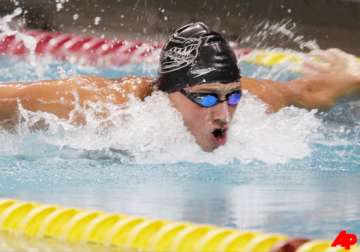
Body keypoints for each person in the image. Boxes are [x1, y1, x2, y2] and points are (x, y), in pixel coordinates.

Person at [0, 22, 359, 151]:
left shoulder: (254, 100)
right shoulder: (98, 105)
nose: (223, 113)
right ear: (167, 92)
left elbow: (313, 92)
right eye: (204, 97)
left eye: (230, 95)